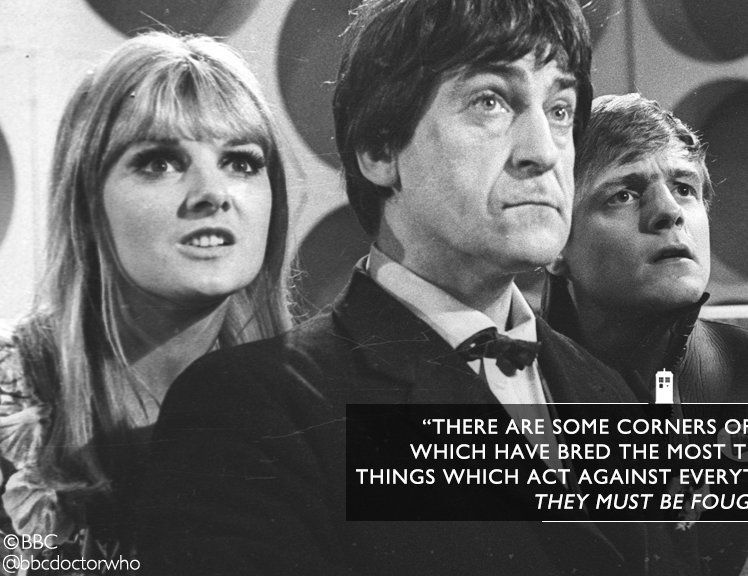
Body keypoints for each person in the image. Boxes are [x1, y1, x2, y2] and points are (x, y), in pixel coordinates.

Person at [135, 2, 700, 575]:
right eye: (490, 101)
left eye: (559, 110)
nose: (543, 151)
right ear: (380, 151)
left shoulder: (610, 394)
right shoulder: (257, 406)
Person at [545, 93, 748, 576]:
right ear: (554, 241)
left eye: (684, 188)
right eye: (623, 194)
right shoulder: (514, 382)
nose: (668, 212)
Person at [0, 31, 291, 570]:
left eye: (241, 162)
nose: (212, 193)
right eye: (160, 163)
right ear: (87, 200)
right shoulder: (8, 390)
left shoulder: (323, 399)